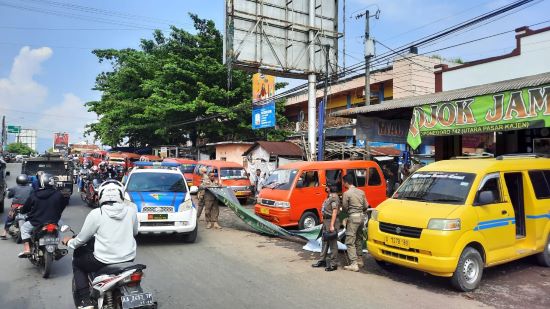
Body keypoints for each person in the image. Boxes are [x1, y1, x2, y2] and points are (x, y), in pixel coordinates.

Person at [63, 180, 138, 309]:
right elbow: (135, 232)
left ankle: (85, 300)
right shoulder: (131, 211)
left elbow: (81, 239)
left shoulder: (97, 213)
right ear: (121, 195)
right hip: (129, 259)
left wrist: (70, 242)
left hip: (104, 260)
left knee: (77, 262)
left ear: (101, 195)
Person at [18, 173, 66, 258]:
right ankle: (57, 248)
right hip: (53, 220)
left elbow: (26, 208)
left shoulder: (34, 195)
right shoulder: (58, 194)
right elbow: (62, 206)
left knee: (24, 228)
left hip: (36, 221)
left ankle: (27, 249)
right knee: (59, 229)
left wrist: (22, 210)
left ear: (41, 182)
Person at [341, 173, 368, 272]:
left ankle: (353, 263)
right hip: (362, 218)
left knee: (349, 241)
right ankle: (360, 260)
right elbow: (366, 205)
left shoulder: (347, 193)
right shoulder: (361, 192)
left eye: (343, 182)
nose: (343, 183)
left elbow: (344, 207)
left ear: (346, 182)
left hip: (353, 218)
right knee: (358, 239)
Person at [312, 184, 340, 271]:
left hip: (331, 222)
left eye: (327, 186)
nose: (326, 188)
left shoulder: (334, 197)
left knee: (332, 243)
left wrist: (331, 225)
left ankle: (333, 264)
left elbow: (334, 212)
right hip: (326, 221)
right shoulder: (329, 196)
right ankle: (322, 260)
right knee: (324, 242)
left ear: (331, 187)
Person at [0, 174, 33, 239]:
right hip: (27, 207)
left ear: (18, 180)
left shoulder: (14, 188)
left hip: (16, 207)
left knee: (9, 218)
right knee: (32, 217)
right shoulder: (31, 188)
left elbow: (9, 196)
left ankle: (4, 232)